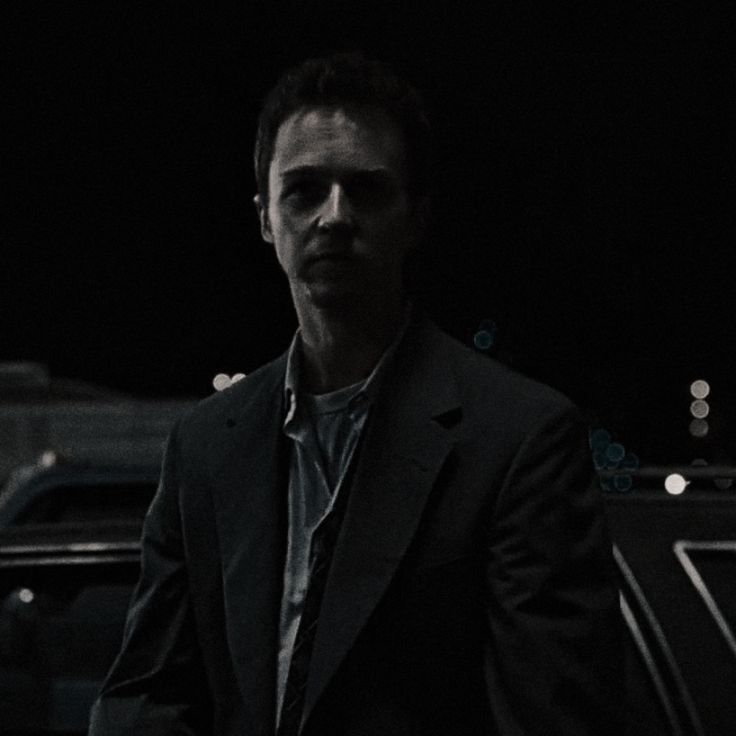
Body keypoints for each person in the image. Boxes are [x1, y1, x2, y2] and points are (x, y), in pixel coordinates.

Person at [89, 52, 622, 735]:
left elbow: (550, 715)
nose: (334, 216)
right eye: (304, 190)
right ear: (265, 218)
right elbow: (147, 696)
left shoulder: (519, 440)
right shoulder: (205, 445)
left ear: (416, 218)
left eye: (366, 190)